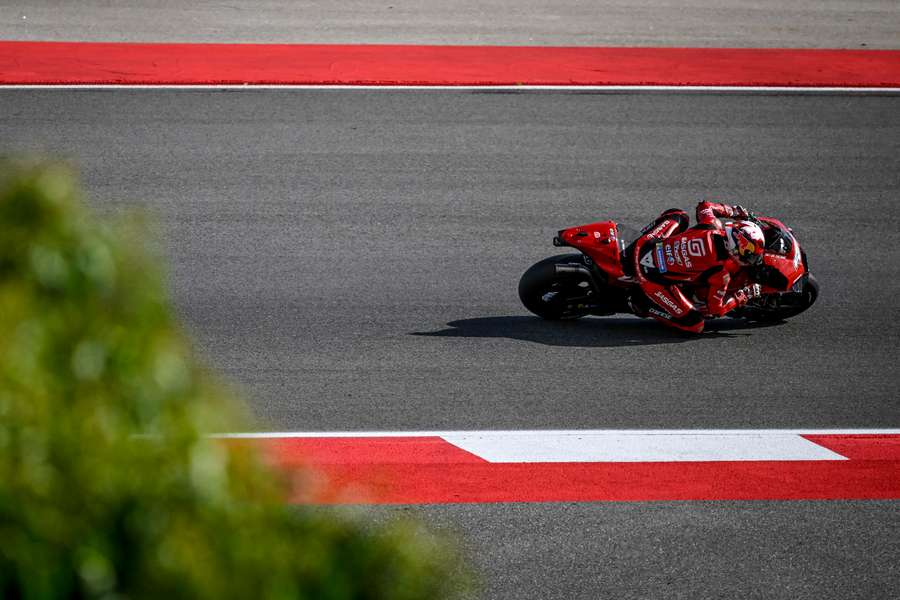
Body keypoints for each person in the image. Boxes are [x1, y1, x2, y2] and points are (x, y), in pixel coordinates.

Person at [627, 201, 766, 333]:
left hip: (646, 243)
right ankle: (646, 305)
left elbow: (704, 206)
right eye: (748, 252)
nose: (750, 258)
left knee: (679, 215)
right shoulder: (720, 273)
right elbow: (716, 309)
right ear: (736, 246)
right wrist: (743, 296)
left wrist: (733, 211)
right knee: (695, 325)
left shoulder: (711, 225)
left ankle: (633, 242)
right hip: (650, 279)